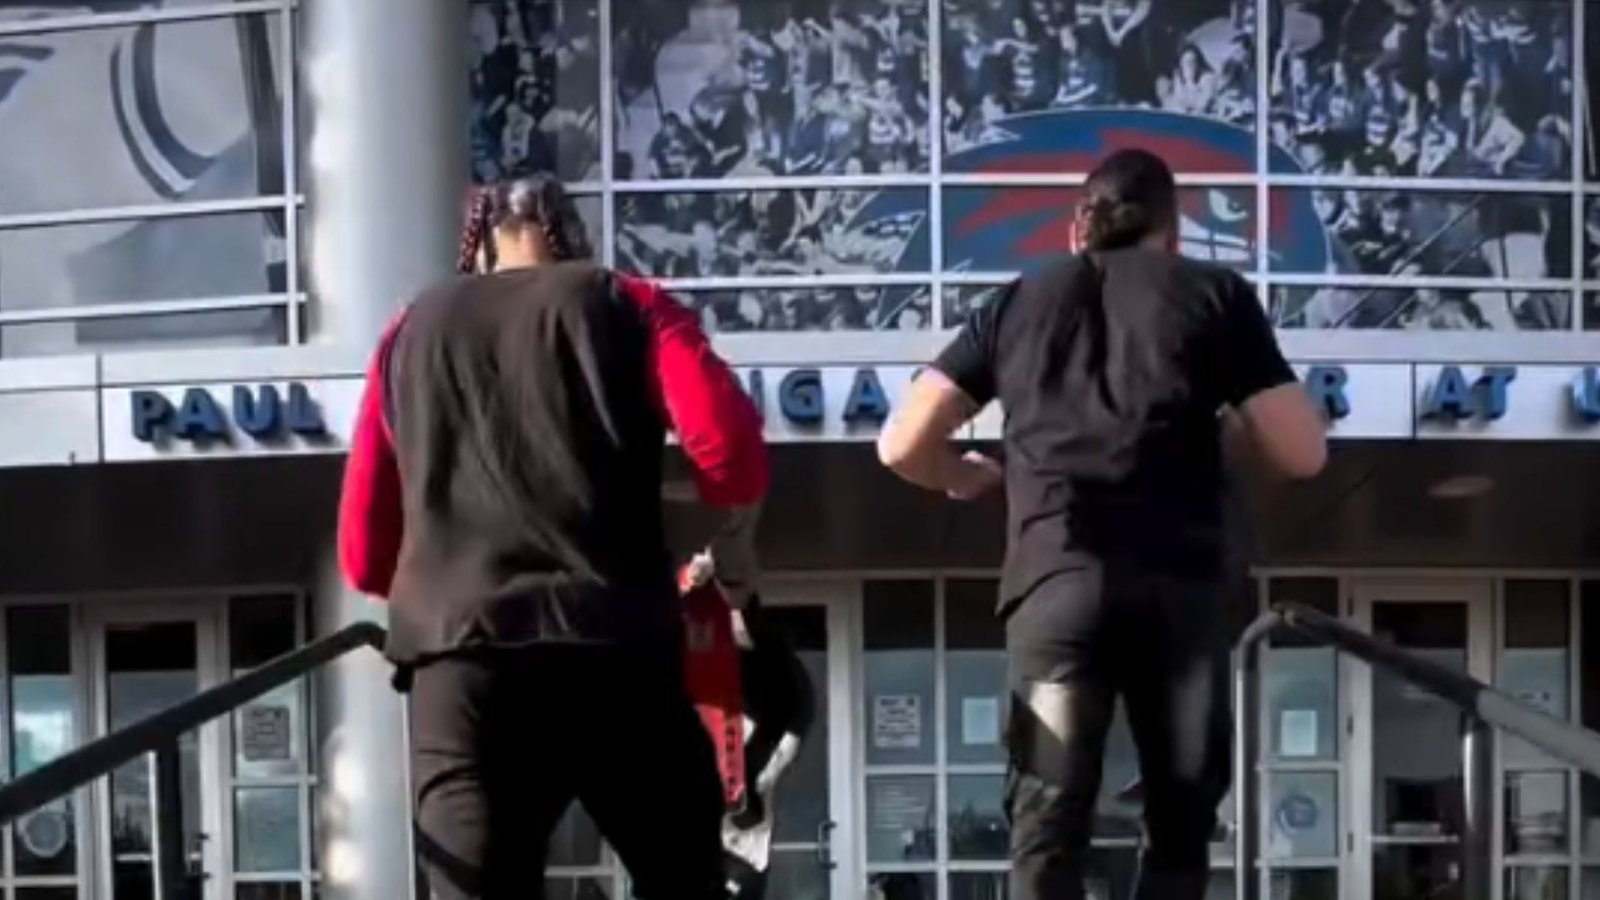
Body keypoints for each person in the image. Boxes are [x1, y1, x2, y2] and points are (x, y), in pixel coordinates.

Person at [876, 149, 1327, 900]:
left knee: (1047, 828)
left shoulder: (1017, 301)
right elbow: (1302, 452)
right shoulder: (1214, 295)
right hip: (1180, 596)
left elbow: (900, 446)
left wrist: (964, 475)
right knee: (1180, 825)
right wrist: (1227, 428)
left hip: (1058, 587)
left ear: (1076, 229)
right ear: (1172, 235)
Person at [336, 176, 769, 899]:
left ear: (477, 249)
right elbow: (730, 453)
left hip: (463, 663)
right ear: (573, 238)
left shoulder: (410, 329)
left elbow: (361, 553)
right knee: (684, 877)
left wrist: (442, 585)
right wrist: (727, 537)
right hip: (616, 647)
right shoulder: (628, 301)